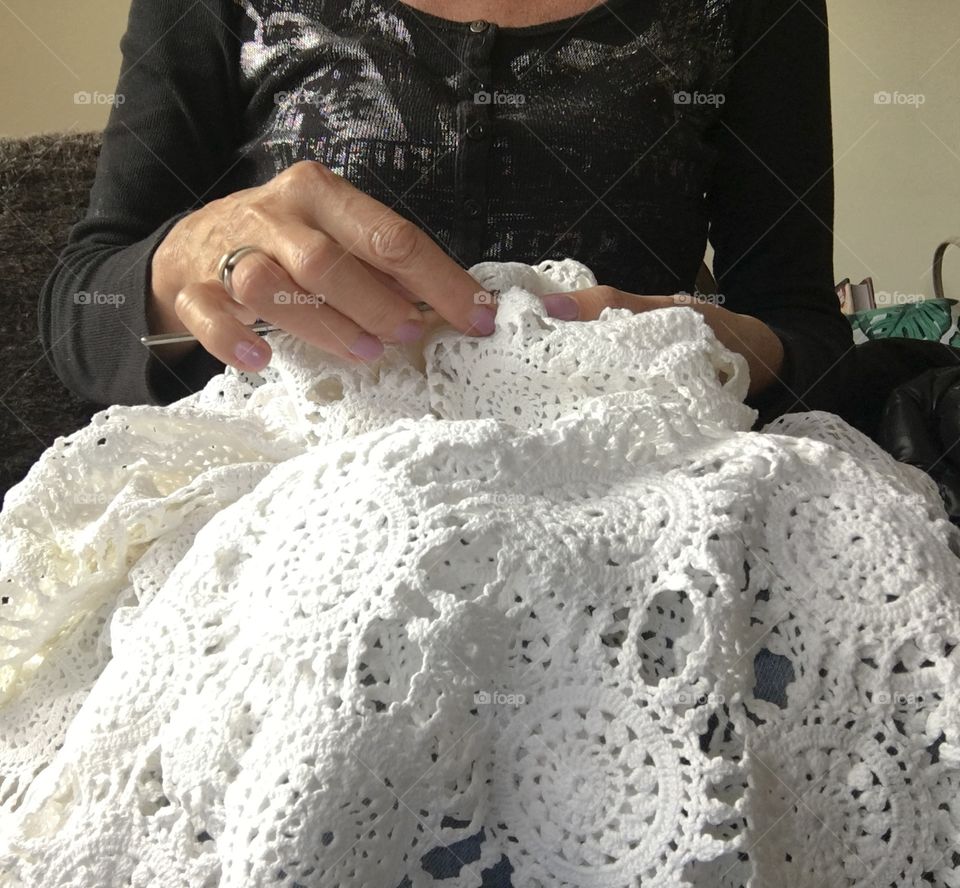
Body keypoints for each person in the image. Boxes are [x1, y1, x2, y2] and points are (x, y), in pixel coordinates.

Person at [39, 0, 852, 426]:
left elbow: (807, 330)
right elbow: (80, 307)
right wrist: (193, 257)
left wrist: (720, 344)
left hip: (637, 512)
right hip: (287, 523)